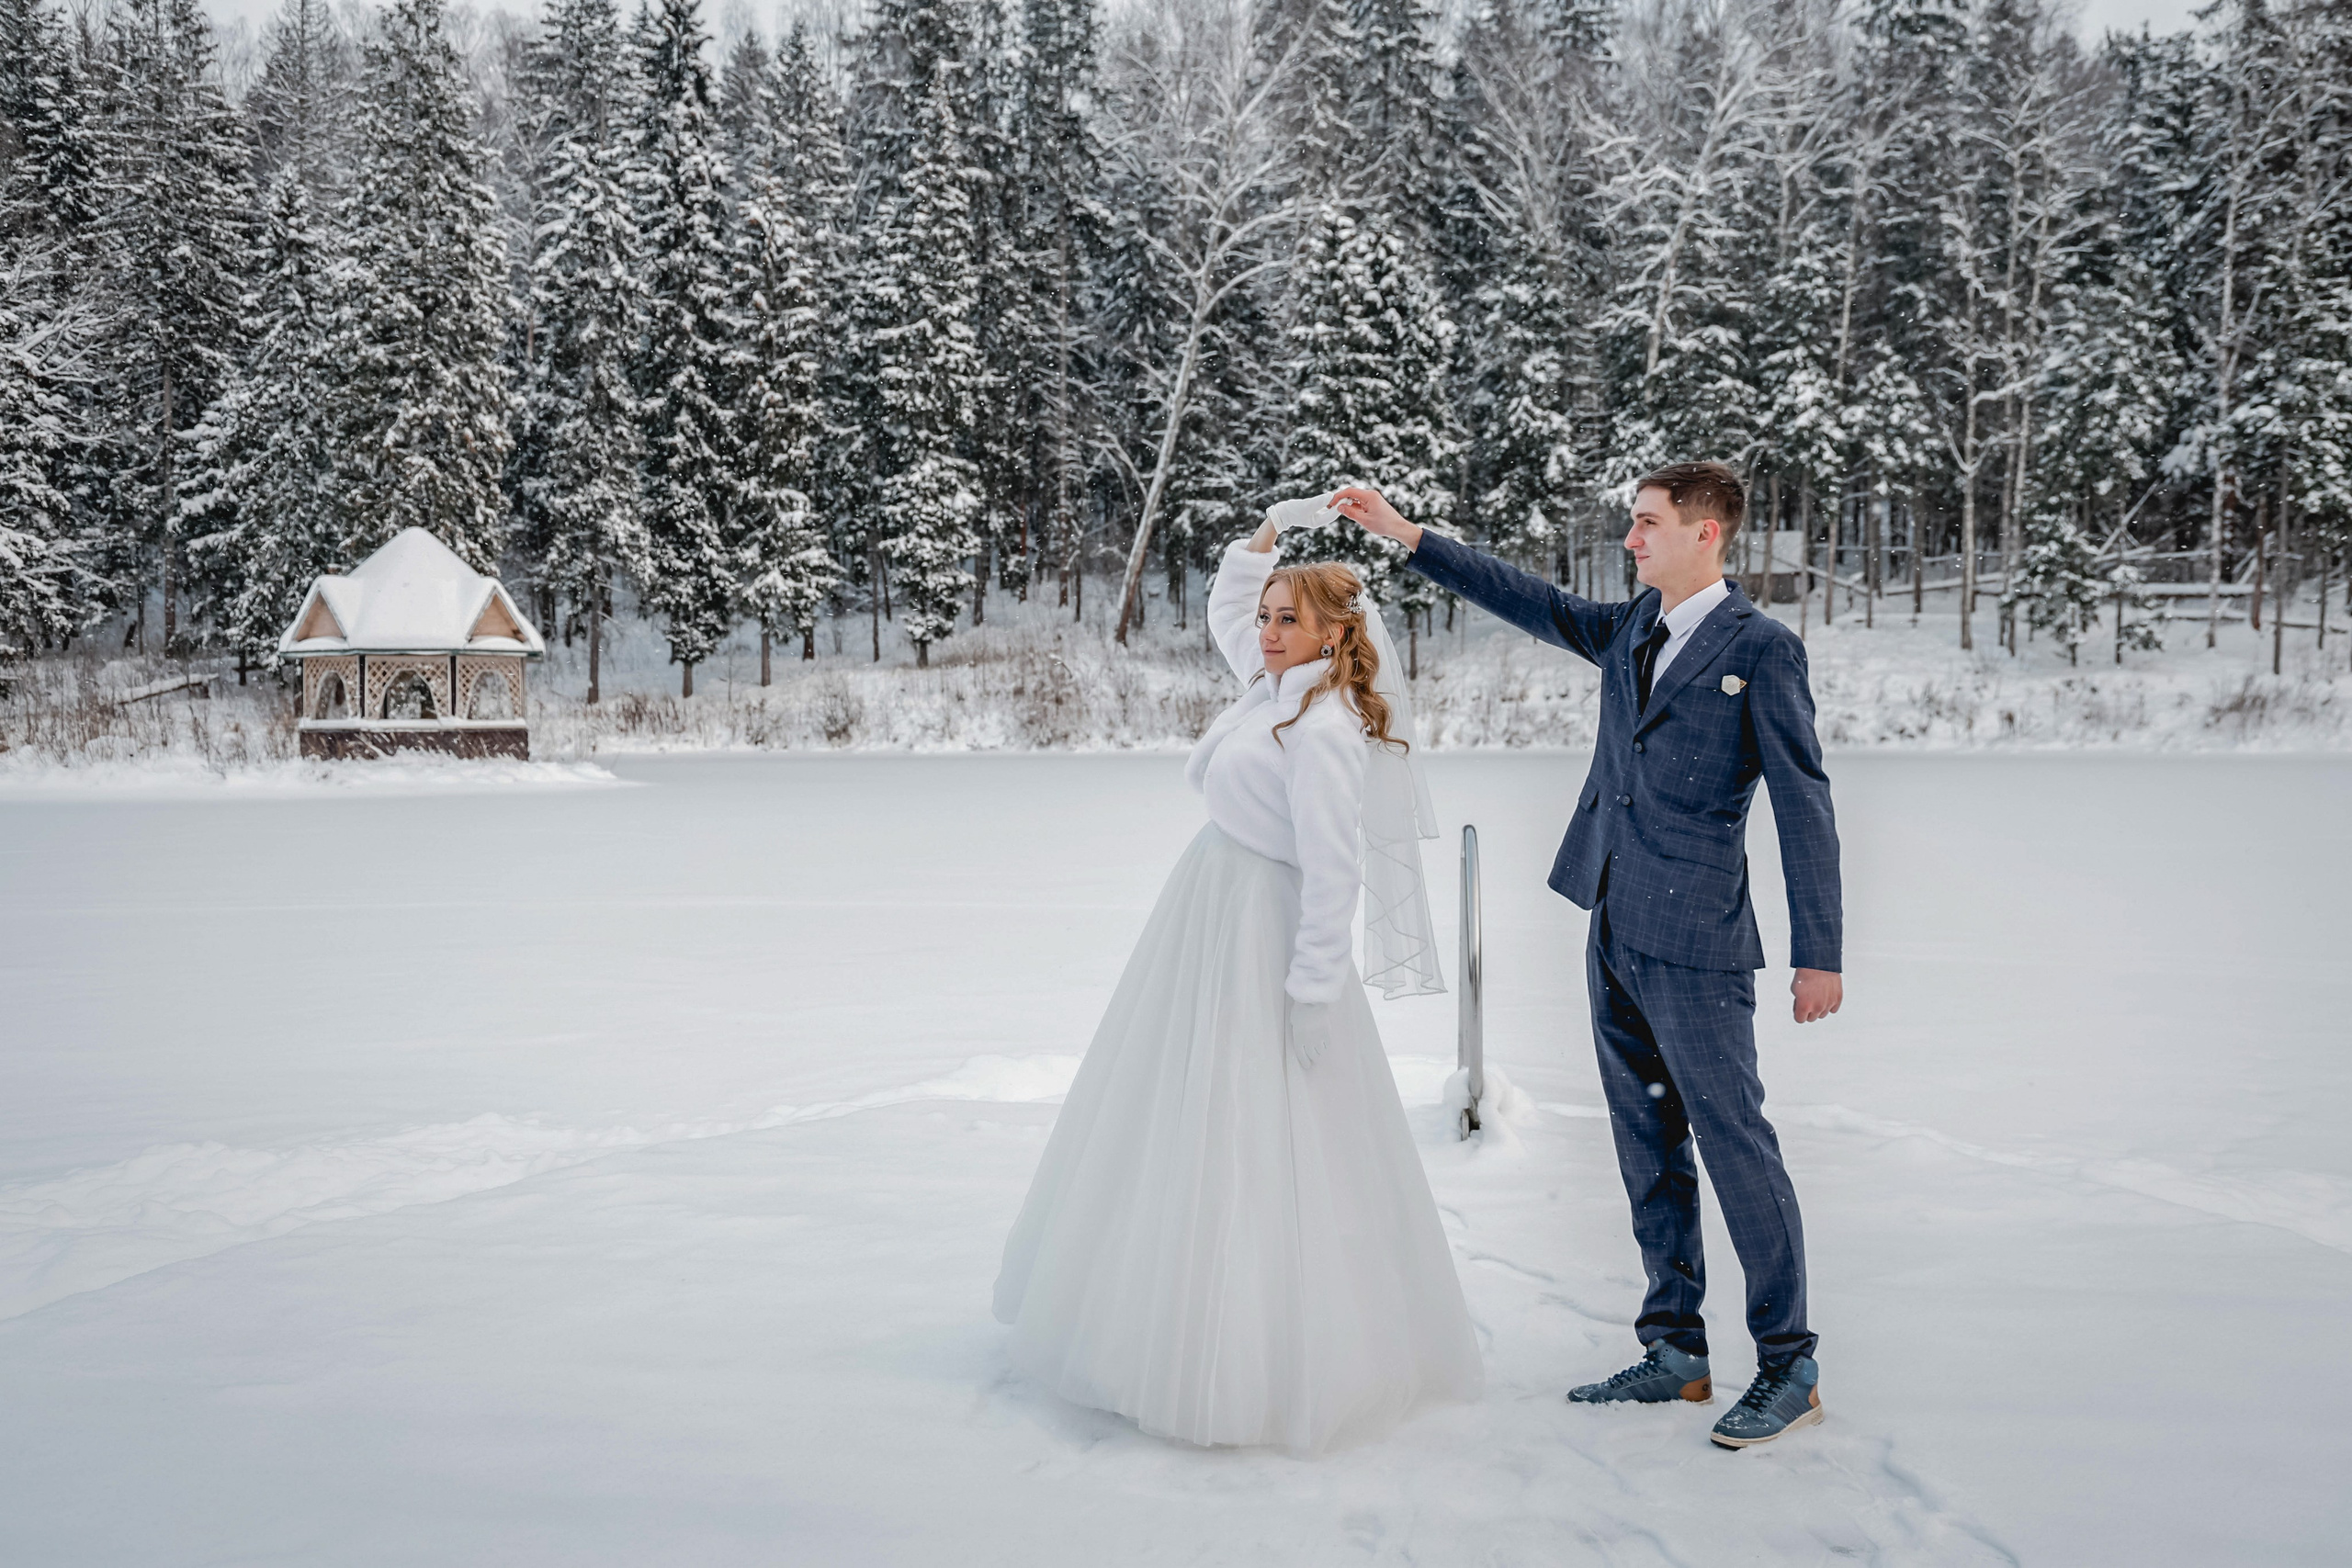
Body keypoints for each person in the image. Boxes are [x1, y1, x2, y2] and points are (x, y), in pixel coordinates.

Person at [1331, 462, 1844, 1450]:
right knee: (1646, 1143)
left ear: (1706, 534)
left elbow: (1803, 800)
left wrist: (1816, 952)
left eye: (1648, 523)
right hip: (1609, 919)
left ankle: (1789, 1362)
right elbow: (1525, 597)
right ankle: (1677, 1351)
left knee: (1735, 1145)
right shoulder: (1629, 632)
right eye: (1631, 524)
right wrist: (1407, 533)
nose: (1631, 538)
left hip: (1698, 940)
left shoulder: (1762, 650)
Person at [991, 512, 1482, 1455]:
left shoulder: (1324, 726)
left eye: (1286, 621)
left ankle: (1264, 1353)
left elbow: (1334, 877)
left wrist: (1307, 995)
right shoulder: (1270, 689)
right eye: (1264, 618)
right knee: (1182, 1110)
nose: (1263, 633)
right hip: (1210, 916)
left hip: (1264, 930)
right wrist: (1267, 535)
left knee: (1257, 1125)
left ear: (1337, 633)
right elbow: (1227, 605)